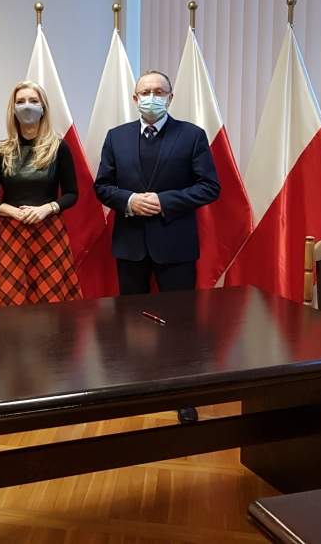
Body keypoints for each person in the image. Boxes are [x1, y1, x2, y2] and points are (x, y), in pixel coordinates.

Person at [94, 70, 220, 424]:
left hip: (175, 244)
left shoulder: (192, 135)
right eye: (145, 92)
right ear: (135, 99)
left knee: (180, 322)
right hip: (130, 244)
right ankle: (135, 387)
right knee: (131, 320)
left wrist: (164, 201)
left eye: (159, 91)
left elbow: (210, 187)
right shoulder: (116, 136)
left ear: (170, 97)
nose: (152, 97)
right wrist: (130, 201)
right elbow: (102, 186)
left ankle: (183, 394)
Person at [0, 81, 81, 307]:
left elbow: (72, 194)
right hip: (11, 233)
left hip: (49, 231)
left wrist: (46, 209)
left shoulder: (59, 147)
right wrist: (11, 211)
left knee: (51, 302)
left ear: (43, 108)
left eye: (33, 101)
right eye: (21, 101)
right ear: (13, 109)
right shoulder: (0, 150)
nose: (27, 106)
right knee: (8, 303)